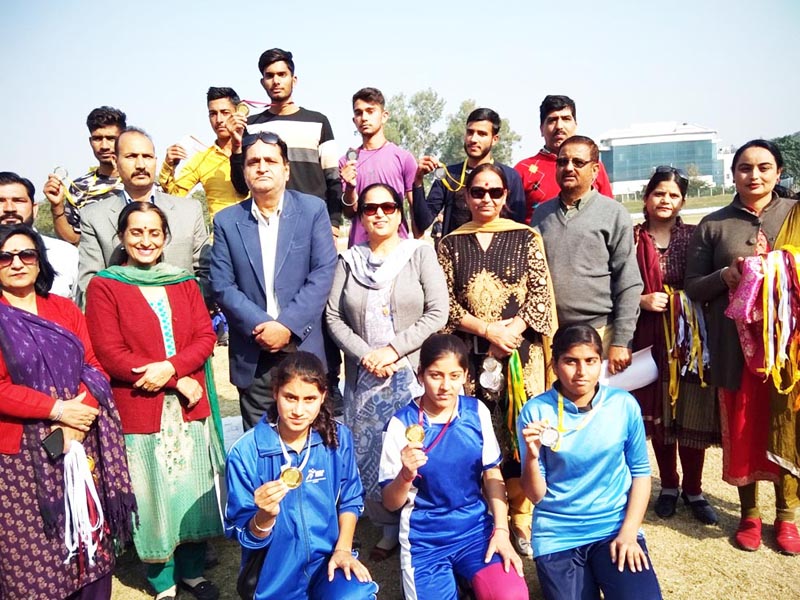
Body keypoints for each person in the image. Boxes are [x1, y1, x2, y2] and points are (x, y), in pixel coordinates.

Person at [85, 203, 223, 600]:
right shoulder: (106, 285)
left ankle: (194, 573)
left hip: (188, 413)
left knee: (192, 490)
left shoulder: (183, 282)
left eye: (154, 233)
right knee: (152, 494)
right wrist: (174, 379)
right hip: (141, 409)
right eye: (136, 232)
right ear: (123, 238)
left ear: (165, 238)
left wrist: (174, 368)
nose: (145, 241)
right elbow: (109, 353)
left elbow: (205, 337)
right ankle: (162, 581)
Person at [0, 223, 135, 599]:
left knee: (87, 538)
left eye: (27, 255)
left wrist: (82, 413)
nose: (17, 264)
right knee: (31, 553)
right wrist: (58, 409)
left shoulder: (62, 308)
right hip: (19, 461)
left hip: (77, 444)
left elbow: (94, 366)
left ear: (40, 262)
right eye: (5, 256)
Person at [685, 139, 800, 554]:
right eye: (745, 168)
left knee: (787, 423)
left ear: (778, 172)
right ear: (733, 174)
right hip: (735, 347)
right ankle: (750, 514)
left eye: (764, 167)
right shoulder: (714, 224)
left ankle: (787, 516)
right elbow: (692, 286)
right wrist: (726, 277)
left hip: (789, 350)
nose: (755, 175)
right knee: (745, 425)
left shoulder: (795, 215)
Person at [437, 163, 557, 558]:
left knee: (521, 433)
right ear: (465, 196)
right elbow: (445, 304)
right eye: (477, 192)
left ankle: (521, 517)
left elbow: (540, 295)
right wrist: (488, 332)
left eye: (494, 192)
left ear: (506, 196)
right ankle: (488, 513)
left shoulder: (526, 237)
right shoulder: (451, 243)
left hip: (522, 355)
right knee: (482, 434)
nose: (485, 199)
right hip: (471, 357)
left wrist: (511, 333)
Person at [326, 182, 448, 559]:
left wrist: (394, 350)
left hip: (408, 373)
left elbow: (437, 311)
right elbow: (333, 315)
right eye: (370, 208)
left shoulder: (418, 254)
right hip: (365, 376)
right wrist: (367, 354)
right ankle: (386, 526)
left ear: (400, 212)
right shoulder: (350, 260)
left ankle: (420, 521)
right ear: (361, 216)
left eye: (388, 206)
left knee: (412, 447)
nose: (379, 213)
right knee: (371, 451)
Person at [379, 334, 529, 600]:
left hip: (475, 531)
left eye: (454, 376)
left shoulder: (476, 411)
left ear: (466, 376)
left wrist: (502, 531)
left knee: (511, 596)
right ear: (420, 374)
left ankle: (470, 582)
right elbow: (390, 503)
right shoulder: (401, 424)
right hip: (425, 539)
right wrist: (404, 476)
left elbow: (492, 474)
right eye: (435, 375)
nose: (445, 386)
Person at [518, 324, 662, 600]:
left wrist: (629, 533)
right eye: (570, 361)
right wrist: (533, 457)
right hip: (558, 535)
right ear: (555, 364)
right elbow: (536, 496)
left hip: (613, 527)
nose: (582, 372)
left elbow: (641, 474)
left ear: (601, 362)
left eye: (591, 361)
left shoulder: (623, 405)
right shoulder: (535, 411)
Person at [225, 352, 379, 600]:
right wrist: (263, 518)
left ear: (323, 398)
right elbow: (240, 533)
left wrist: (343, 550)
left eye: (309, 399)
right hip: (273, 579)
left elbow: (351, 498)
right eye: (290, 397)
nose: (299, 410)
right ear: (275, 392)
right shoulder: (246, 452)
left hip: (326, 565)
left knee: (357, 595)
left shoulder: (337, 439)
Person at [210, 132, 337, 430]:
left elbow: (323, 272)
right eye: (254, 161)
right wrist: (264, 327)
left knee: (314, 443)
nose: (262, 167)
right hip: (254, 354)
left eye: (270, 160)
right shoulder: (227, 222)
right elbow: (222, 285)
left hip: (304, 347)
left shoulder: (312, 211)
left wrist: (286, 327)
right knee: (261, 447)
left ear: (286, 169)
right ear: (244, 171)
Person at [632, 167, 720, 524]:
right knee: (660, 413)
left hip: (692, 337)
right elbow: (616, 282)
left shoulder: (697, 236)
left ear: (683, 200)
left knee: (691, 409)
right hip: (648, 335)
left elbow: (712, 281)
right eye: (659, 193)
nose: (665, 200)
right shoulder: (632, 237)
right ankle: (668, 486)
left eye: (673, 195)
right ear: (646, 197)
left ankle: (694, 490)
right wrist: (641, 299)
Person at [531, 135, 642, 375]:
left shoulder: (613, 213)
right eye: (562, 162)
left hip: (600, 333)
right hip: (552, 335)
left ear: (594, 170)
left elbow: (629, 281)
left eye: (577, 162)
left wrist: (621, 341)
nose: (568, 168)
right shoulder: (541, 214)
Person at [78, 127, 208, 297]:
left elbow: (206, 273)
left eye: (146, 157)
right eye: (131, 157)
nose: (140, 165)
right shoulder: (94, 217)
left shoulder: (189, 211)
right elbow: (89, 285)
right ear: (115, 161)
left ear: (155, 160)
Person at [227, 48, 342, 235]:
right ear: (262, 82)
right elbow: (241, 187)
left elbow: (333, 179)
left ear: (293, 80)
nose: (276, 81)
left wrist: (334, 226)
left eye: (282, 74)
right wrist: (236, 144)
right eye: (270, 76)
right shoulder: (251, 126)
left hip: (313, 224)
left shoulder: (318, 122)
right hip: (267, 226)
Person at [412, 107, 526, 236]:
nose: (473, 139)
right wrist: (418, 182)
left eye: (482, 134)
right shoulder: (448, 175)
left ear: (495, 139)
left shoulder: (510, 177)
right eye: (470, 132)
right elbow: (423, 222)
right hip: (454, 253)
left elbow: (517, 229)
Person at [339, 87, 418, 245]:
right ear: (354, 120)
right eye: (359, 113)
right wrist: (349, 187)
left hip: (396, 250)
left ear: (384, 116)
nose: (364, 117)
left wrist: (418, 246)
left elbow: (416, 210)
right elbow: (349, 213)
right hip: (360, 252)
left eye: (370, 111)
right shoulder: (346, 162)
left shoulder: (403, 158)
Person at [514, 95, 612, 222]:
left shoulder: (592, 166)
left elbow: (610, 215)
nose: (559, 126)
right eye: (552, 120)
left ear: (575, 125)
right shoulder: (522, 171)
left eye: (566, 119)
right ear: (541, 129)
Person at [158, 86, 247, 219]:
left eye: (225, 112)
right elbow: (174, 196)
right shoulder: (202, 159)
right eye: (213, 114)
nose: (219, 120)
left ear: (239, 112)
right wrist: (168, 166)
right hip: (221, 236)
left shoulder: (255, 151)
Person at [43, 106, 127, 244]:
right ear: (90, 142)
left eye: (111, 138)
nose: (104, 146)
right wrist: (57, 206)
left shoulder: (141, 182)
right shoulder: (80, 187)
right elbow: (73, 239)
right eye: (97, 139)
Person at [0, 171, 78, 299]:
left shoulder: (67, 254)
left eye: (18, 201)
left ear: (35, 209)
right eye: (1, 201)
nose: (9, 208)